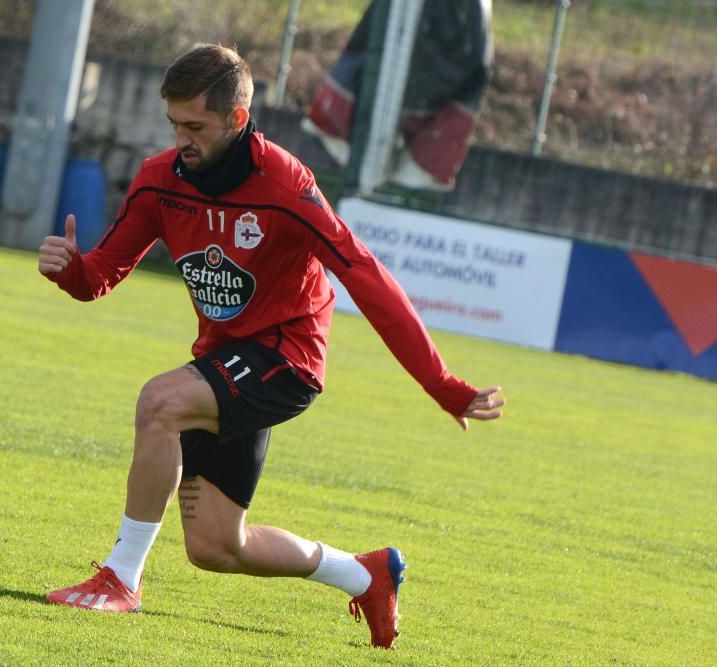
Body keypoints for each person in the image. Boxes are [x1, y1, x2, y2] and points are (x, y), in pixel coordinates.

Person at [38, 44, 503, 650]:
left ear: (236, 119)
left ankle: (120, 579)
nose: (181, 140)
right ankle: (365, 574)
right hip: (224, 361)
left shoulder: (285, 185)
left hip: (286, 361)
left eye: (196, 127)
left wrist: (444, 386)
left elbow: (368, 278)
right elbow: (100, 275)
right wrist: (70, 269)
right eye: (174, 124)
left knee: (160, 403)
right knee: (216, 546)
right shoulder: (160, 181)